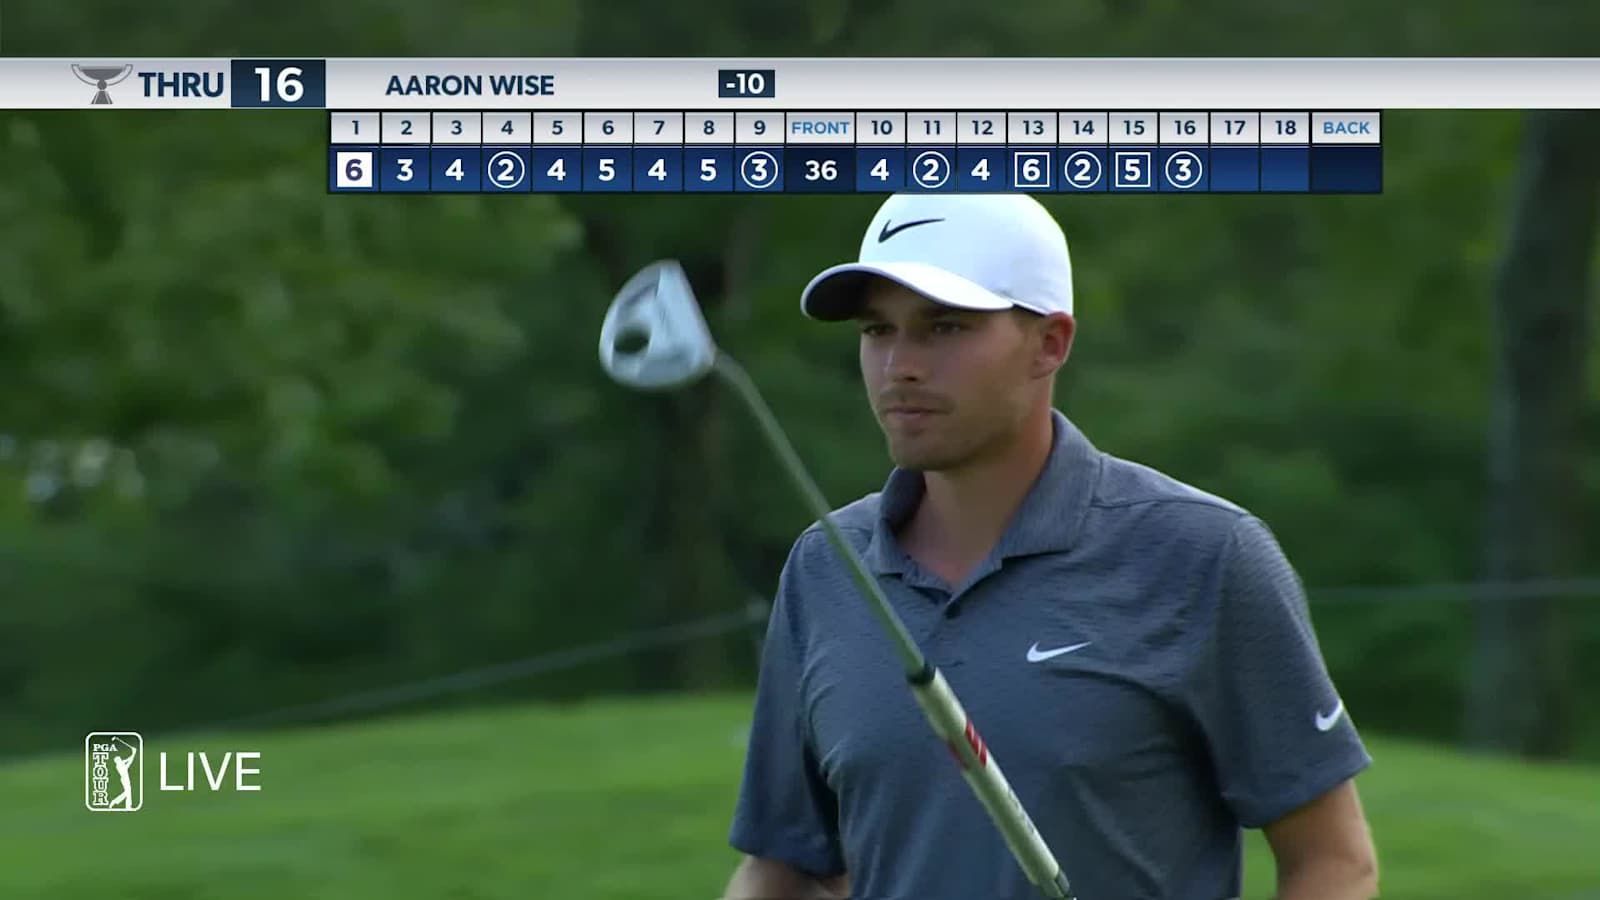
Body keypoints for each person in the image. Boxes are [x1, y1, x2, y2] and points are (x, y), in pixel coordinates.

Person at [722, 193, 1378, 900]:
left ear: (1050, 343)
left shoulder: (1205, 556)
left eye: (944, 327)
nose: (899, 367)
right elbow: (786, 867)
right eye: (879, 330)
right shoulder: (827, 567)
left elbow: (1333, 861)